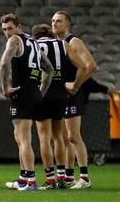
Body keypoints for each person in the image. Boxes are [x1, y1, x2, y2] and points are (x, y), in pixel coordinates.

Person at [0, 14, 53, 192]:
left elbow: (4, 64)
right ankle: (23, 179)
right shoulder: (34, 42)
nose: (7, 33)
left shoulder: (15, 40)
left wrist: (5, 87)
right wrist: (41, 92)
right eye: (4, 29)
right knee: (20, 138)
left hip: (22, 94)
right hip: (33, 93)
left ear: (18, 27)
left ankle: (30, 181)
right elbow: (49, 69)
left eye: (10, 28)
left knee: (24, 140)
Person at [31, 23, 89, 190]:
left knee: (44, 138)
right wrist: (75, 85)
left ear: (35, 36)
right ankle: (62, 177)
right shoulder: (63, 44)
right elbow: (83, 66)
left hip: (42, 92)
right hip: (60, 93)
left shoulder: (33, 45)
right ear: (51, 34)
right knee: (59, 138)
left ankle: (50, 180)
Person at [51, 11, 98, 189]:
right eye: (53, 21)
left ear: (67, 25)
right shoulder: (57, 44)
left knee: (73, 136)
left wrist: (76, 85)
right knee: (64, 138)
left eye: (59, 21)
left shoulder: (73, 42)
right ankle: (69, 176)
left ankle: (85, 178)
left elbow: (91, 66)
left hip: (72, 93)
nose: (55, 23)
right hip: (62, 94)